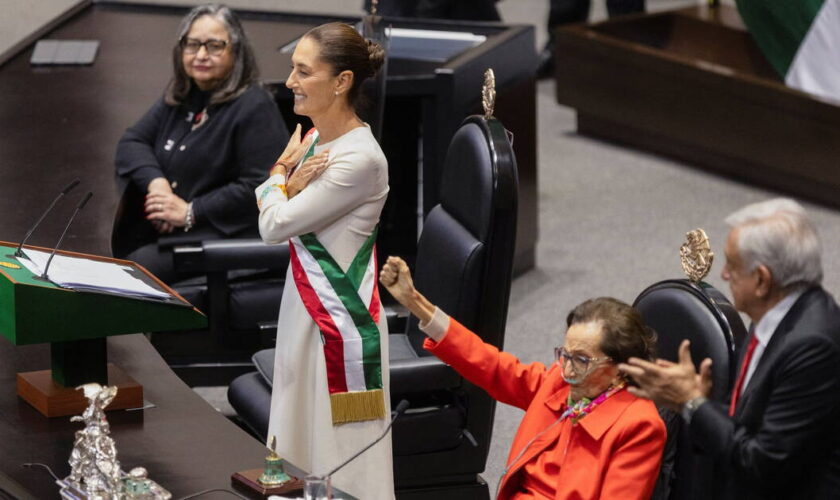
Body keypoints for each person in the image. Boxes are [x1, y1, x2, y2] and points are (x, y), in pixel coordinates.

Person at [379, 257, 666, 499]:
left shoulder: (638, 426)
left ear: (619, 367)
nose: (567, 369)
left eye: (581, 360)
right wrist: (415, 302)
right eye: (564, 354)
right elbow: (489, 365)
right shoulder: (559, 382)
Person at [620, 198, 840, 499]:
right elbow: (751, 417)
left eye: (733, 266)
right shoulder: (774, 314)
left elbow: (762, 464)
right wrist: (705, 403)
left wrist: (692, 404)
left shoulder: (813, 346)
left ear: (762, 279)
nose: (723, 274)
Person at [255, 23, 392, 499]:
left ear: (342, 82)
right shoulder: (316, 139)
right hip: (306, 306)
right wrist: (286, 189)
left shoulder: (359, 160)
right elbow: (285, 214)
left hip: (338, 323)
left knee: (338, 458)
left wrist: (278, 175)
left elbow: (273, 226)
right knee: (296, 439)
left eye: (302, 71)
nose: (289, 81)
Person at [114, 4, 286, 283]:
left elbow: (260, 184)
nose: (202, 55)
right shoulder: (185, 95)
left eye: (215, 46)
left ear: (236, 51)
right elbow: (133, 141)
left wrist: (190, 211)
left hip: (230, 240)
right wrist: (157, 184)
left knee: (132, 273)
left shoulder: (254, 105)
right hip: (187, 232)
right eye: (192, 44)